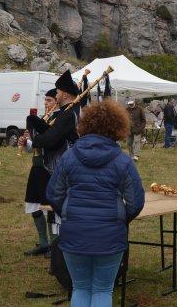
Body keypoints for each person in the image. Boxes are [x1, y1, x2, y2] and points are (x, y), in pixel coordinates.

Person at [46, 100, 145, 307]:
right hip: (110, 235)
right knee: (102, 290)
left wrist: (68, 213)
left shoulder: (69, 157)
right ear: (118, 127)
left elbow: (54, 194)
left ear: (84, 125)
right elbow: (135, 202)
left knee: (80, 287)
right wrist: (119, 218)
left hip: (74, 232)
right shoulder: (123, 160)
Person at [20, 69, 80, 256]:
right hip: (51, 166)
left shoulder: (69, 114)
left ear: (66, 94)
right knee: (40, 204)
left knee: (56, 210)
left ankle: (58, 248)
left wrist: (35, 140)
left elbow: (51, 140)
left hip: (60, 169)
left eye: (58, 92)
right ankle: (50, 245)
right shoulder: (65, 113)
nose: (56, 94)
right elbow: (50, 135)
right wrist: (34, 123)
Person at [18, 89, 60, 257]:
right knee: (33, 204)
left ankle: (55, 245)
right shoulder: (44, 118)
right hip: (37, 167)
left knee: (50, 208)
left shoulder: (58, 119)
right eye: (45, 100)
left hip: (50, 169)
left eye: (49, 100)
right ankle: (43, 242)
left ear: (56, 102)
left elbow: (52, 143)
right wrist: (27, 142)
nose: (46, 103)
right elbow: (35, 147)